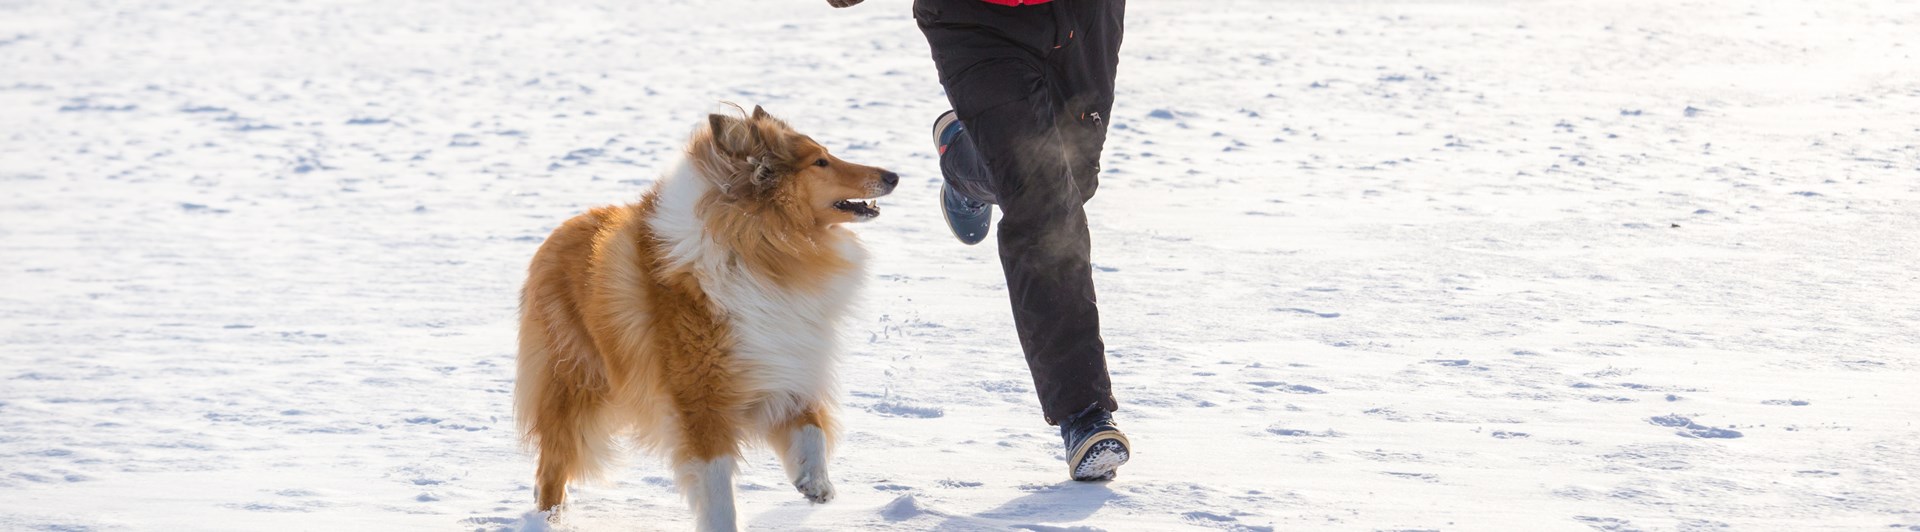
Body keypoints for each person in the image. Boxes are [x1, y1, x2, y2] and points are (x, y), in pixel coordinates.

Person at [831, 0, 1129, 481]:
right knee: (1042, 200)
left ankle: (963, 161)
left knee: (1074, 180)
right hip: (975, 19)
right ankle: (1085, 413)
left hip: (1081, 13)